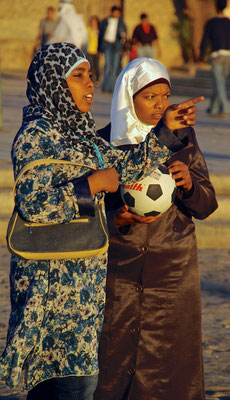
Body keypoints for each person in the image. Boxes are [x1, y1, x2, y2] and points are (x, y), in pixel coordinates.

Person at [0, 43, 197, 400]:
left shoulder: (84, 137)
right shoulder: (36, 136)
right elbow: (33, 204)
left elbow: (126, 167)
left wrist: (165, 131)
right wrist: (90, 185)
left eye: (91, 75)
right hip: (50, 293)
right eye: (78, 76)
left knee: (82, 385)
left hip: (86, 296)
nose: (90, 83)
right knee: (61, 387)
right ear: (53, 83)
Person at [94, 58, 218, 400]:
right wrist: (117, 218)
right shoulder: (102, 143)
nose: (161, 104)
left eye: (165, 96)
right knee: (113, 360)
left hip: (172, 271)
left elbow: (207, 205)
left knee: (170, 365)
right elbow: (91, 210)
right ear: (128, 96)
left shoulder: (182, 138)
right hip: (119, 271)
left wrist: (190, 186)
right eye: (150, 97)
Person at [199, 0, 230, 118]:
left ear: (216, 7)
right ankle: (213, 108)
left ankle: (225, 109)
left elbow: (205, 40)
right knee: (220, 82)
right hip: (228, 56)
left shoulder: (211, 22)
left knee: (219, 83)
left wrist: (201, 57)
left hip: (216, 56)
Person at [98, 5, 127, 93]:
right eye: (115, 12)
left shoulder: (121, 22)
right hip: (107, 44)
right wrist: (99, 48)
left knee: (114, 66)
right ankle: (105, 86)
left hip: (117, 46)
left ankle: (110, 87)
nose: (116, 14)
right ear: (112, 12)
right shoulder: (105, 21)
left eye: (118, 13)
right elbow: (100, 35)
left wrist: (124, 48)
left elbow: (125, 36)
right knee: (107, 65)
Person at [86, 16, 100, 86]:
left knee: (96, 66)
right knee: (90, 66)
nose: (93, 23)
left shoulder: (99, 30)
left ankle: (97, 79)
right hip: (89, 50)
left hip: (96, 50)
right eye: (92, 22)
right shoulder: (88, 29)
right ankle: (90, 79)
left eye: (94, 22)